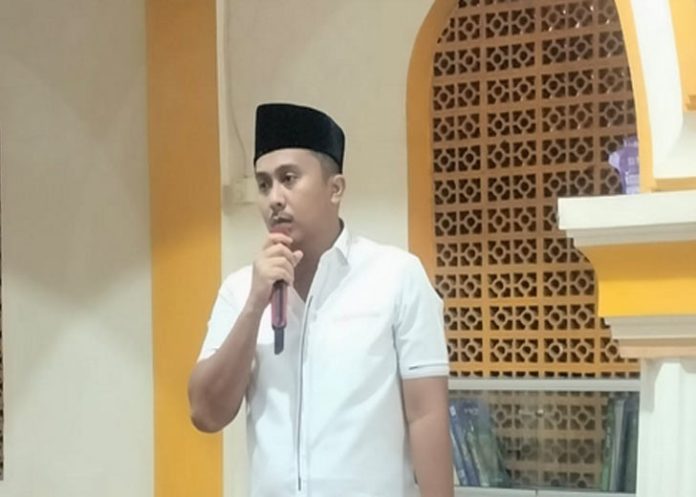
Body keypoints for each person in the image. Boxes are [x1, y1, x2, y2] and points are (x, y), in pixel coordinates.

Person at [188, 102, 453, 497]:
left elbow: (426, 415)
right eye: (263, 184)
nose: (275, 198)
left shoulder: (396, 276)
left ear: (335, 188)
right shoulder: (241, 290)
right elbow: (205, 413)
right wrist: (255, 305)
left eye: (289, 178)